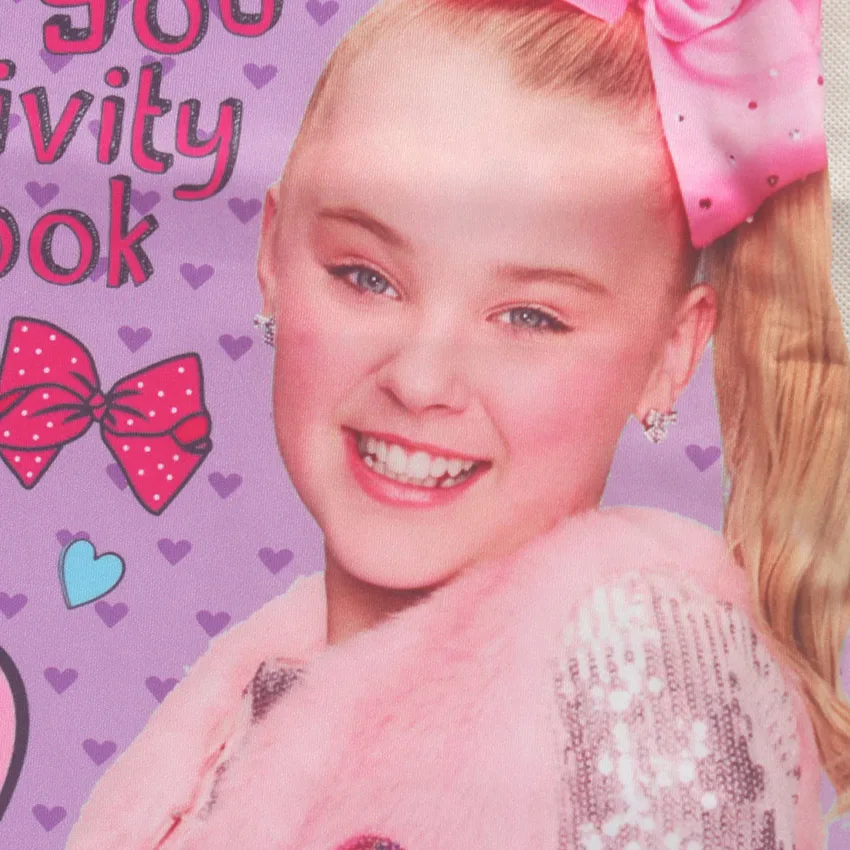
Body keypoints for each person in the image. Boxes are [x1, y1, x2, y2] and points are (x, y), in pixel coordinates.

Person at [66, 0, 850, 846]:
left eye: (530, 317)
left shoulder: (638, 673)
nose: (420, 380)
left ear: (672, 350)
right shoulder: (223, 727)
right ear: (273, 257)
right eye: (366, 277)